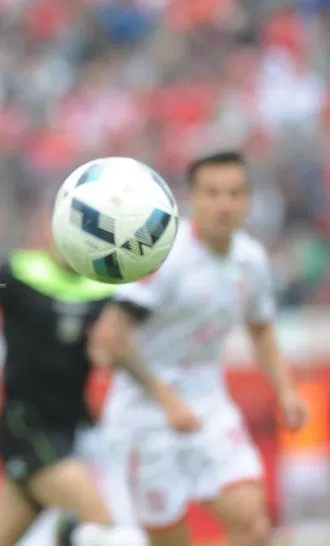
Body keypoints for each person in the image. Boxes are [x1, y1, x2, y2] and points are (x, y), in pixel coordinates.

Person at [91, 151, 309, 546]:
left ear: (248, 200)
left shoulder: (251, 259)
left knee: (253, 527)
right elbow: (109, 339)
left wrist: (286, 390)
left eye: (234, 193)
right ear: (192, 199)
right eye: (212, 193)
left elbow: (261, 331)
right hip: (146, 416)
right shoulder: (159, 253)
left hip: (210, 406)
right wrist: (166, 399)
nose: (224, 204)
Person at [0, 246, 145, 546]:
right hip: (25, 423)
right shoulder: (15, 269)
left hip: (69, 428)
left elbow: (113, 344)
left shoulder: (105, 288)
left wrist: (107, 351)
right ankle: (69, 534)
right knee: (106, 533)